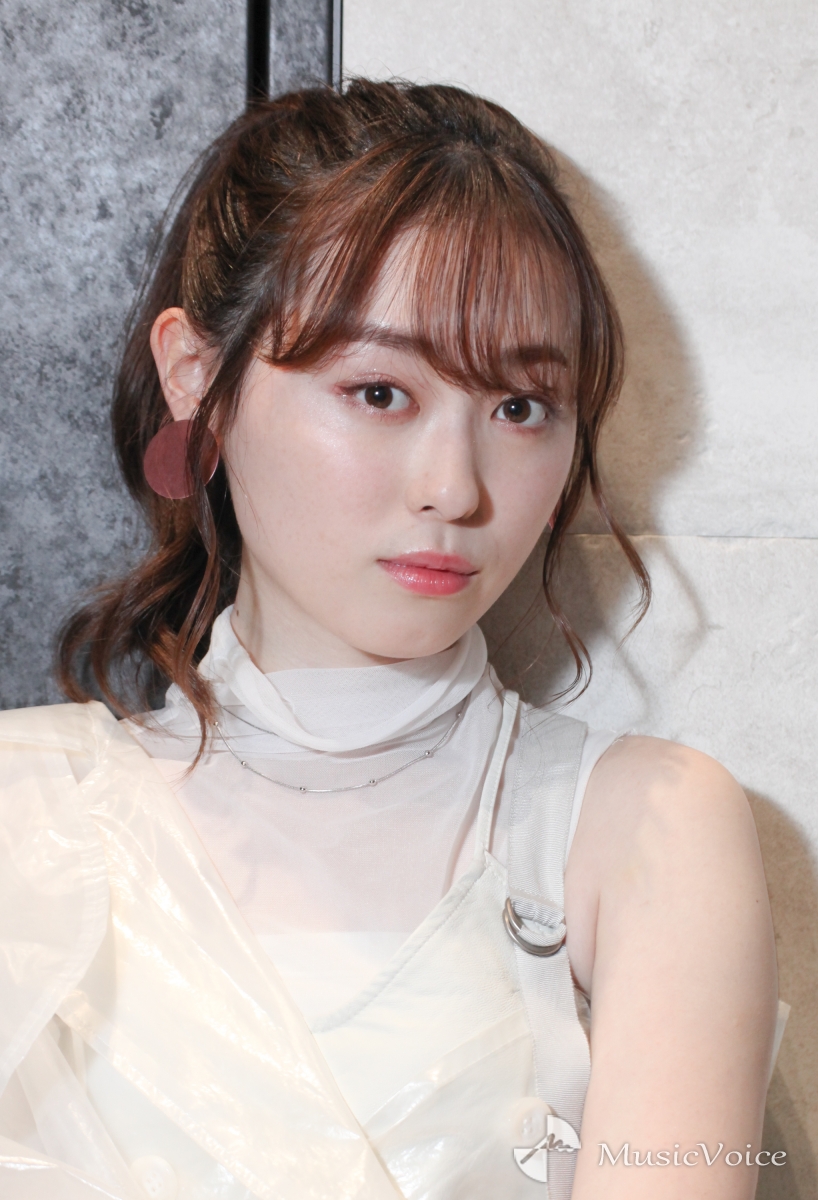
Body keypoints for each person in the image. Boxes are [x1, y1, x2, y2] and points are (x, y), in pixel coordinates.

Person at [0, 79, 782, 1200]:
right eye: (378, 392)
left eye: (519, 408)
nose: (455, 489)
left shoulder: (643, 833)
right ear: (196, 379)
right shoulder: (28, 821)